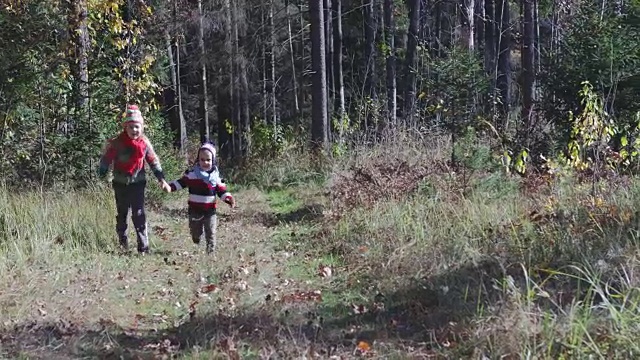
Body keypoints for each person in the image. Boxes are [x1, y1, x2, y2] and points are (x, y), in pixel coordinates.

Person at [98, 104, 171, 254]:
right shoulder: (117, 142)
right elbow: (106, 158)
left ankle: (143, 246)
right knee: (122, 213)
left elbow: (153, 160)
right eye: (131, 127)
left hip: (138, 183)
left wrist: (161, 179)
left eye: (137, 127)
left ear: (142, 127)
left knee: (138, 213)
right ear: (125, 127)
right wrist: (102, 171)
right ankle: (122, 242)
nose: (134, 130)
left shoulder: (144, 143)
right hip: (120, 183)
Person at [164, 142, 236, 254]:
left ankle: (210, 252)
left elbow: (221, 191)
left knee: (211, 231)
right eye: (202, 159)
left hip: (210, 210)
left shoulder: (215, 178)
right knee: (195, 231)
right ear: (198, 160)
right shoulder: (192, 174)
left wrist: (227, 198)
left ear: (213, 161)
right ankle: (196, 238)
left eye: (208, 160)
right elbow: (181, 183)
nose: (205, 162)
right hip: (194, 210)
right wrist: (169, 187)